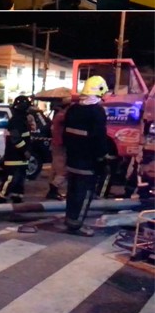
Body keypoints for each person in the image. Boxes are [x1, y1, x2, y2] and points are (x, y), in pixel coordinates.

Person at [63, 76, 109, 237]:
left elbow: (66, 135)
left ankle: (69, 220)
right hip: (88, 163)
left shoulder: (73, 109)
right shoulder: (97, 111)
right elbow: (99, 138)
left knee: (72, 192)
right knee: (85, 194)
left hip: (72, 159)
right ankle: (77, 225)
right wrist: (102, 157)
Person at [0, 95, 32, 203]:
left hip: (20, 157)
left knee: (20, 179)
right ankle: (1, 196)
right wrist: (25, 151)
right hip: (15, 156)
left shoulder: (21, 119)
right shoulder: (17, 120)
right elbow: (16, 138)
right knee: (11, 178)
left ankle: (17, 196)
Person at [46, 97, 71, 200]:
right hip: (61, 145)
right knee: (62, 171)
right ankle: (54, 189)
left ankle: (52, 190)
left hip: (56, 145)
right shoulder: (63, 116)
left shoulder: (58, 116)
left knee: (55, 169)